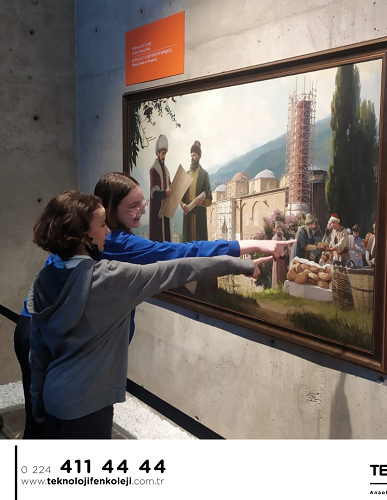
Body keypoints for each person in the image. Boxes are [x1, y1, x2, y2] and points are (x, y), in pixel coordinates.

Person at [14, 172, 294, 439]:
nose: (141, 211)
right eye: (131, 207)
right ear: (90, 230)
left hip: (47, 362)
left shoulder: (49, 269)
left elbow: (38, 352)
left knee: (41, 431)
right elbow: (181, 262)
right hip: (86, 393)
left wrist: (38, 401)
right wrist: (244, 258)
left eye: (142, 203)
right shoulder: (114, 265)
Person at [180, 140, 212, 242]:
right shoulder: (186, 174)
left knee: (199, 244)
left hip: (199, 216)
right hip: (188, 215)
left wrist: (201, 202)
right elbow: (180, 198)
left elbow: (209, 200)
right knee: (187, 244)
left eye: (194, 155)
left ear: (198, 157)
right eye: (191, 155)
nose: (192, 158)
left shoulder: (204, 175)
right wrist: (183, 205)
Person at [149, 134, 172, 242]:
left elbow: (169, 185)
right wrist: (165, 193)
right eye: (162, 153)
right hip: (157, 210)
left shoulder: (166, 171)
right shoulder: (154, 170)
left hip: (166, 208)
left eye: (165, 153)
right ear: (158, 153)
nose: (164, 156)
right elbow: (153, 193)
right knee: (158, 238)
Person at [271, 223, 287, 287]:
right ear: (276, 230)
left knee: (282, 274)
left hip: (283, 259)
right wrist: (279, 253)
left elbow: (286, 248)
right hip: (277, 260)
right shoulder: (274, 239)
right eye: (278, 229)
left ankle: (282, 287)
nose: (280, 231)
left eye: (281, 229)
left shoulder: (284, 239)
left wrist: (284, 253)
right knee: (276, 275)